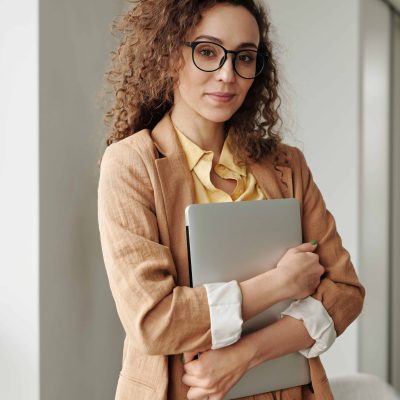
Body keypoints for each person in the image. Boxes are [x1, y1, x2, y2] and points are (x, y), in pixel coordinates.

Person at [97, 1, 365, 399]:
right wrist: (279, 283)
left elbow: (344, 291)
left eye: (244, 57)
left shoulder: (286, 164)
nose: (227, 74)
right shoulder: (131, 165)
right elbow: (154, 321)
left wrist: (244, 355)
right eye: (207, 51)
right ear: (171, 54)